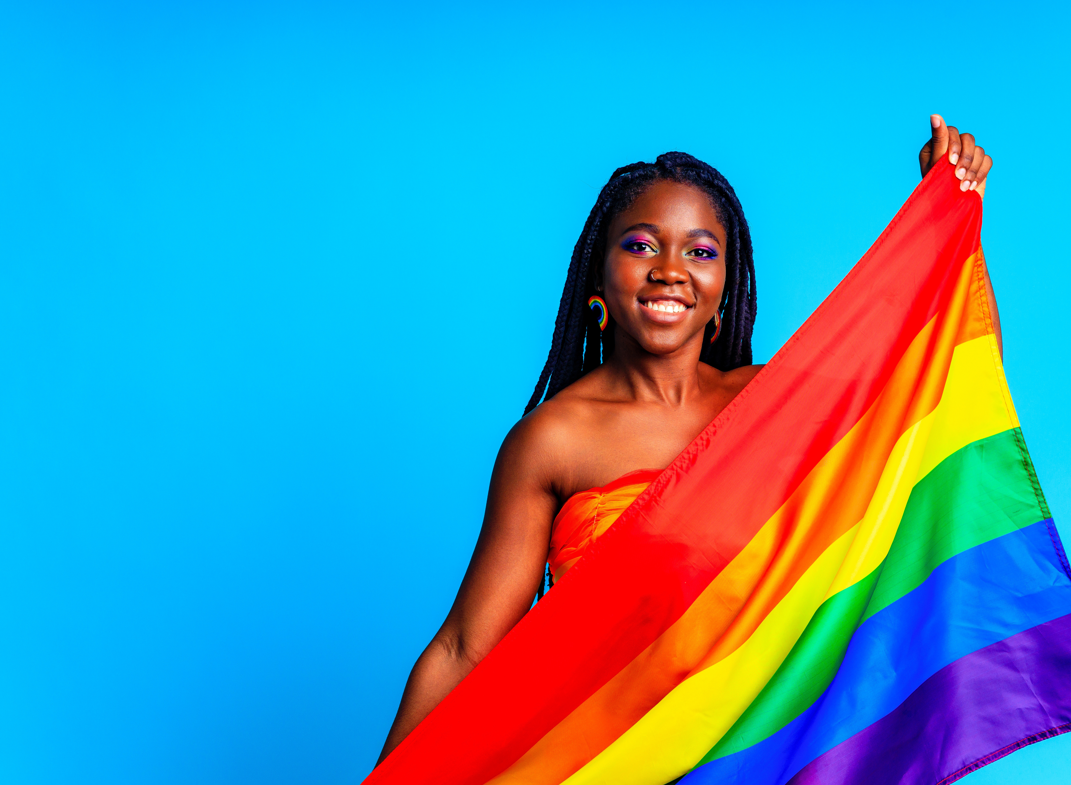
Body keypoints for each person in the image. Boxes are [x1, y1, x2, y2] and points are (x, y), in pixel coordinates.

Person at [377, 115, 996, 763]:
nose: (669, 269)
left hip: (753, 756)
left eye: (700, 251)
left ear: (726, 285)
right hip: (593, 764)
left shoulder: (772, 404)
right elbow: (464, 648)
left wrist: (950, 219)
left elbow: (944, 386)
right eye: (641, 245)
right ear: (598, 275)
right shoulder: (551, 440)